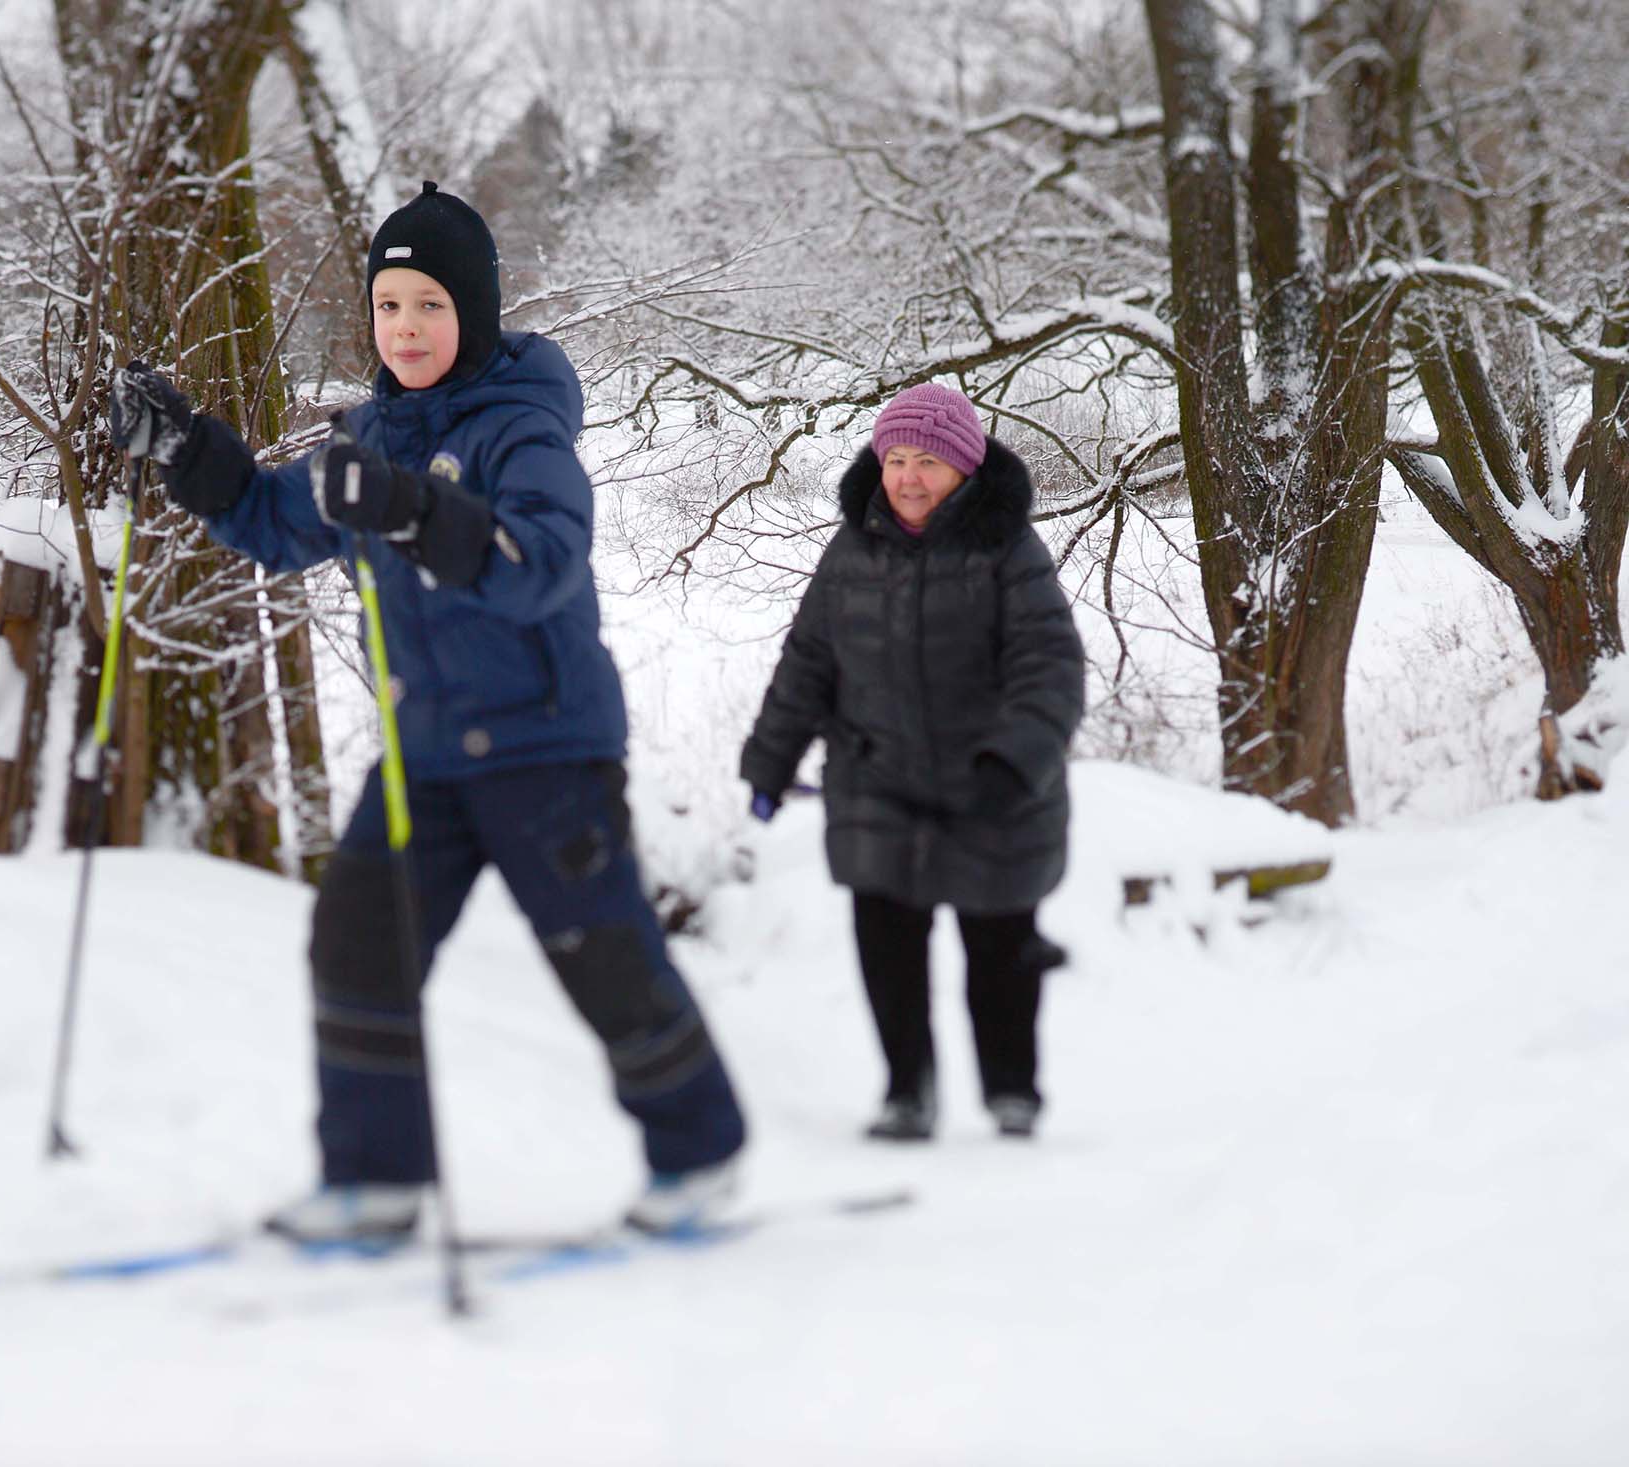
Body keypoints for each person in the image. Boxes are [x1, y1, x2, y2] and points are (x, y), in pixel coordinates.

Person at [110, 182, 747, 1242]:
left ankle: (701, 1152)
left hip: (545, 745)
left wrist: (415, 513)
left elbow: (539, 563)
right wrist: (188, 449)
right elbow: (276, 521)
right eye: (389, 307)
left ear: (477, 313)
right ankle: (375, 1180)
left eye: (431, 307)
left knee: (601, 952)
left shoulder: (520, 431)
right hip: (425, 754)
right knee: (358, 941)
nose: (405, 329)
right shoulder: (375, 436)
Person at [739, 383, 1083, 1141]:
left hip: (988, 785)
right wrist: (770, 759)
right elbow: (808, 663)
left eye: (927, 460)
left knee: (998, 951)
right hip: (877, 779)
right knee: (888, 949)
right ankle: (907, 1090)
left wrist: (1015, 760)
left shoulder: (1009, 551)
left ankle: (1011, 1089)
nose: (908, 477)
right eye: (895, 458)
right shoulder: (852, 549)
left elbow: (1049, 666)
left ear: (963, 468)